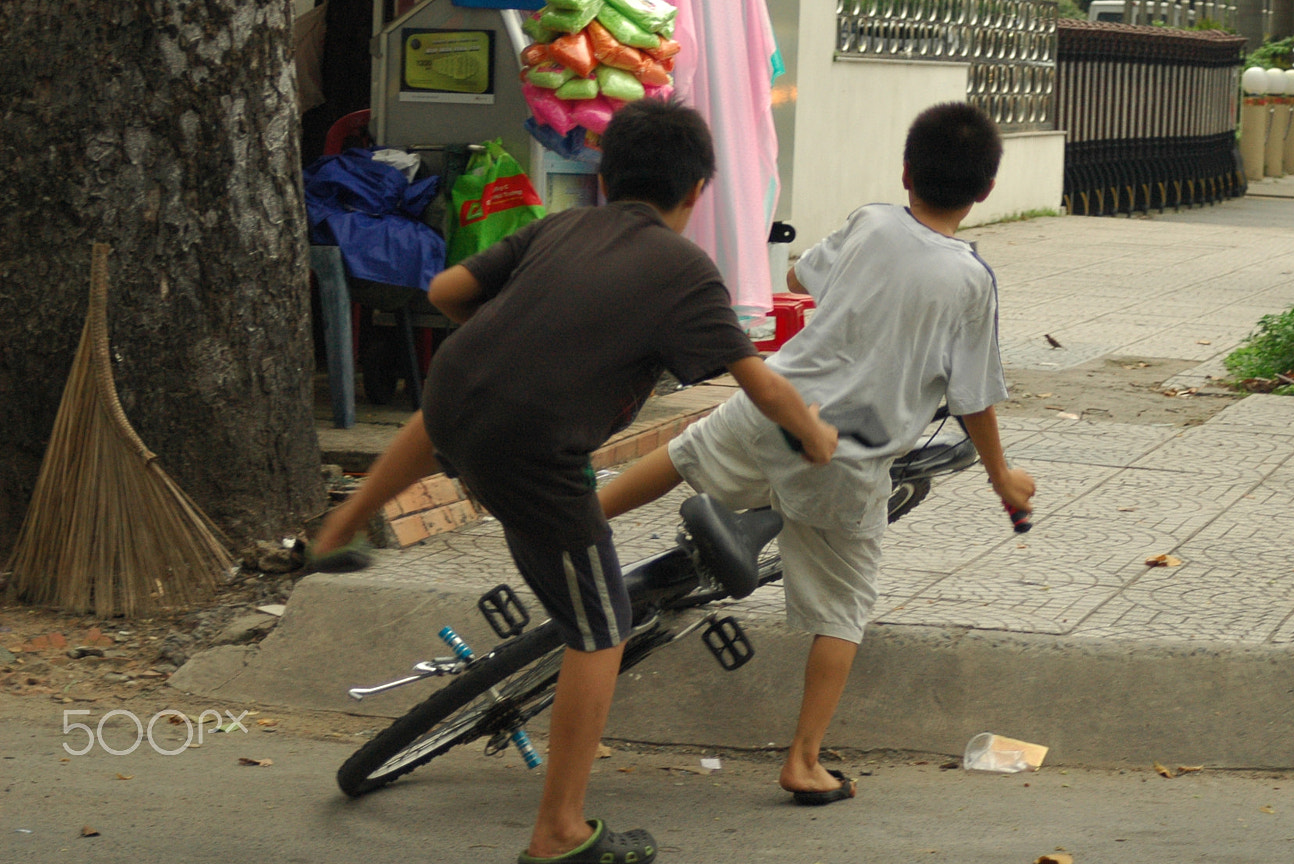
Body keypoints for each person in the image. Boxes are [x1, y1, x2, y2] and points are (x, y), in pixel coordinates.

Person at [308, 99, 837, 864]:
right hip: (535, 456)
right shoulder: (687, 269)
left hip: (453, 393)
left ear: (604, 177)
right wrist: (814, 432)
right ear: (695, 192)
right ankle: (559, 830)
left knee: (455, 408)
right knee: (604, 627)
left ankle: (343, 523)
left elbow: (445, 292)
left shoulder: (562, 226)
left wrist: (515, 338)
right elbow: (761, 384)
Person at [597, 101, 1037, 806]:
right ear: (985, 192)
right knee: (842, 608)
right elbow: (973, 396)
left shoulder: (872, 222)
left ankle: (574, 524)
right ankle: (803, 759)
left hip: (776, 404)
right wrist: (1002, 478)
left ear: (905, 171)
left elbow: (803, 279)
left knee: (684, 453)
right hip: (848, 460)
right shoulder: (970, 281)